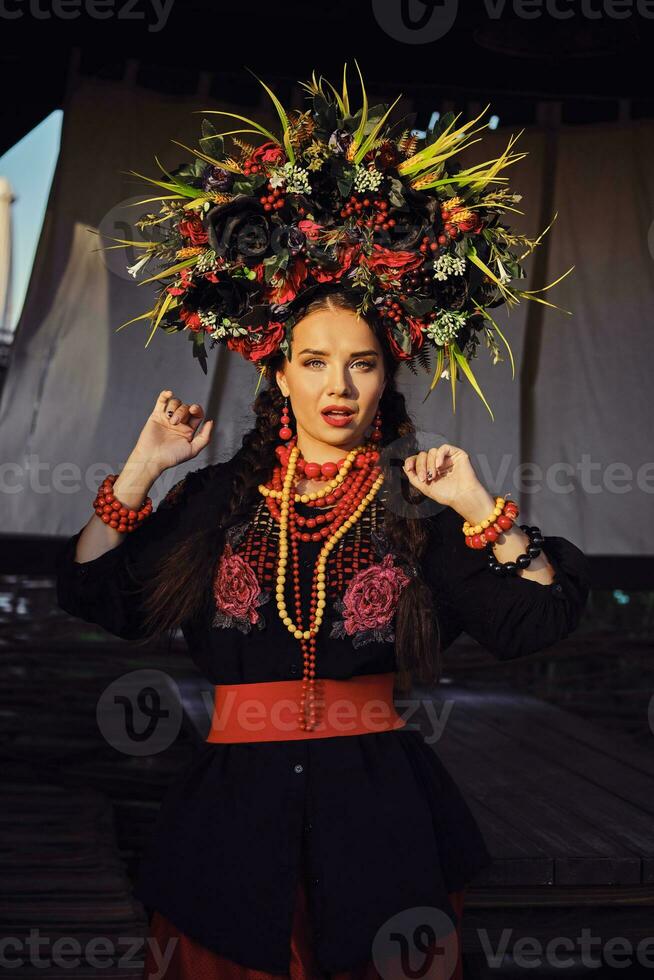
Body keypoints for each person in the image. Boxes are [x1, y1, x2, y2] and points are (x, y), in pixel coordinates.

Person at [55, 286, 590, 979]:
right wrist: (142, 469)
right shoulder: (218, 499)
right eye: (313, 362)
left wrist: (478, 506)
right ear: (279, 374)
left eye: (362, 364)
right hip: (231, 826)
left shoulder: (419, 509)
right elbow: (96, 593)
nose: (338, 386)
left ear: (386, 379)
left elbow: (536, 617)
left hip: (380, 825)